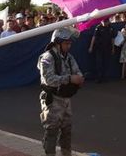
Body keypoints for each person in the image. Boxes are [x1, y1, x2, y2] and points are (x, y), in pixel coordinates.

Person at [38, 27, 84, 156]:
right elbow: (49, 79)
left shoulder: (68, 57)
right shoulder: (47, 57)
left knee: (67, 131)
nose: (69, 46)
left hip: (66, 99)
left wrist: (79, 78)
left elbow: (76, 70)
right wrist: (69, 78)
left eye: (70, 43)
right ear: (57, 42)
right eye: (66, 43)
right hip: (53, 99)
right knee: (51, 131)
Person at [88, 18, 116, 83]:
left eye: (106, 22)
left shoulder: (111, 28)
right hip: (99, 48)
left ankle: (105, 77)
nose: (104, 23)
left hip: (107, 48)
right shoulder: (98, 27)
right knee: (99, 62)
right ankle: (99, 77)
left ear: (108, 22)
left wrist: (113, 48)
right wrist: (91, 47)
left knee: (106, 63)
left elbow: (112, 39)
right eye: (103, 22)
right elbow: (94, 37)